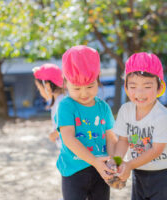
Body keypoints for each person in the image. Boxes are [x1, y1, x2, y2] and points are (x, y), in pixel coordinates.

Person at [112, 52, 167, 200]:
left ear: (158, 87)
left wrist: (129, 165)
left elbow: (156, 150)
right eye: (133, 86)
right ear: (126, 87)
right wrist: (117, 162)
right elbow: (123, 141)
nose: (139, 92)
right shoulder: (125, 111)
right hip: (139, 169)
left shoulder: (162, 116)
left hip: (163, 171)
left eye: (147, 86)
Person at [56, 45, 117, 200]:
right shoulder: (66, 106)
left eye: (90, 86)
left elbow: (111, 137)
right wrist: (94, 161)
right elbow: (68, 139)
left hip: (101, 170)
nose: (84, 93)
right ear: (66, 82)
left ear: (98, 78)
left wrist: (112, 161)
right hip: (73, 171)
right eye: (76, 88)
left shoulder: (103, 107)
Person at [33, 63, 65, 148]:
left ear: (47, 86)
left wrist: (54, 134)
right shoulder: (58, 100)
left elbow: (67, 124)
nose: (40, 93)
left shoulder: (61, 102)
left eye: (40, 89)